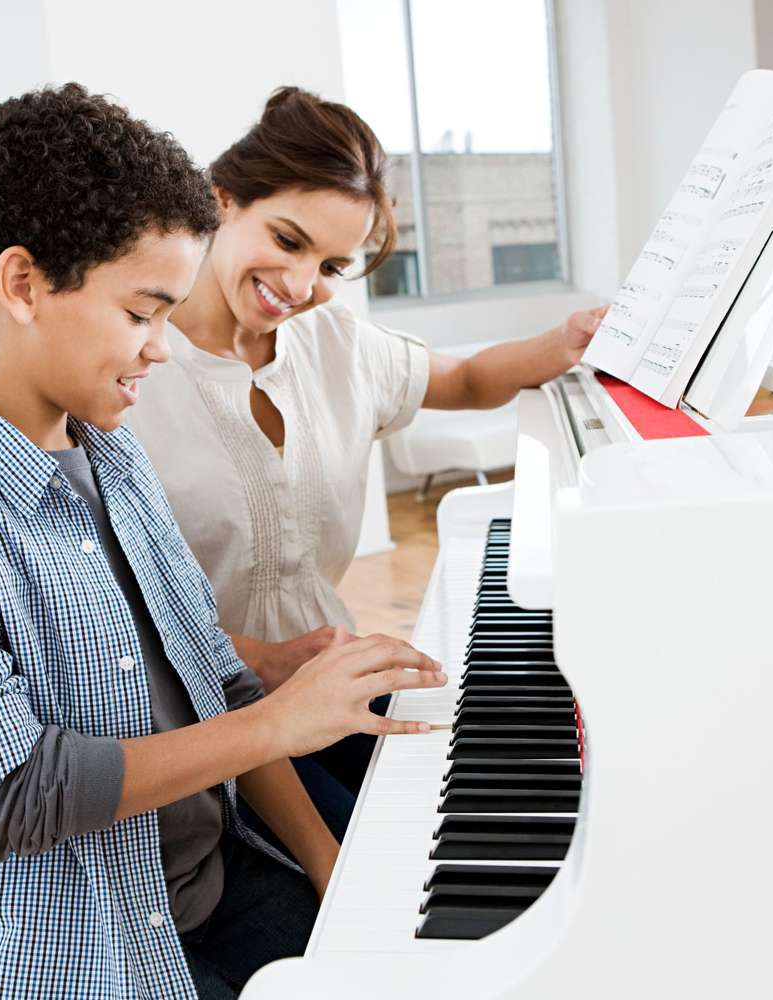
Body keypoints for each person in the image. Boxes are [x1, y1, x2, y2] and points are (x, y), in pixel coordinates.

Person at [0, 84, 445, 1000]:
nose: (161, 348)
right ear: (23, 283)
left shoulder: (111, 454)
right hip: (66, 955)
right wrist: (279, 718)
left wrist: (329, 870)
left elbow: (215, 688)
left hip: (209, 884)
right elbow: (14, 793)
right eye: (142, 312)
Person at [126, 87, 605, 823]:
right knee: (362, 859)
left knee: (481, 794)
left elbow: (470, 379)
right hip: (198, 717)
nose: (301, 286)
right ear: (222, 202)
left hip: (330, 681)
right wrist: (258, 656)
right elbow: (110, 607)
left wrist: (563, 343)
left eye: (330, 266)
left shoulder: (338, 344)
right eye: (288, 241)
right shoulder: (130, 367)